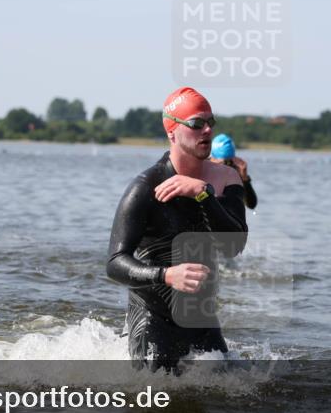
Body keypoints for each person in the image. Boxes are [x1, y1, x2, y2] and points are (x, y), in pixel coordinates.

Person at [106, 87, 248, 372]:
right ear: (172, 132)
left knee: (235, 390)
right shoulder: (146, 187)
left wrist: (203, 194)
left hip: (201, 318)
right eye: (197, 124)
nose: (207, 130)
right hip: (152, 317)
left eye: (211, 122)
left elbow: (234, 245)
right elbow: (114, 263)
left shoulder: (226, 179)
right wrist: (167, 275)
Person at [209, 133, 257, 210]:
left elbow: (251, 204)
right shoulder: (204, 169)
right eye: (222, 162)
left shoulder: (235, 172)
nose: (225, 167)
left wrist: (244, 179)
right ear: (212, 158)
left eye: (228, 162)